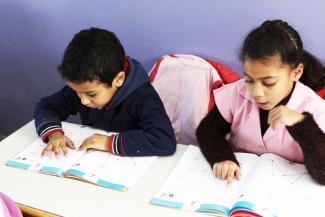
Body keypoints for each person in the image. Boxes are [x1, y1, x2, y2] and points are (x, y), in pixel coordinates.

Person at [196, 20, 325, 185]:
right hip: (238, 185)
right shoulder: (237, 92)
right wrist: (222, 158)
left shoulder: (316, 108)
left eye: (268, 83)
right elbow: (208, 130)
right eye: (249, 80)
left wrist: (301, 123)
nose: (256, 92)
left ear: (296, 72)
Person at [34, 27, 176, 157]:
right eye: (76, 92)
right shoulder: (83, 87)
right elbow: (46, 107)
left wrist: (109, 142)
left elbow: (164, 140)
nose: (83, 101)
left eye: (91, 94)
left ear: (118, 79)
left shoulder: (143, 96)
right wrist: (54, 133)